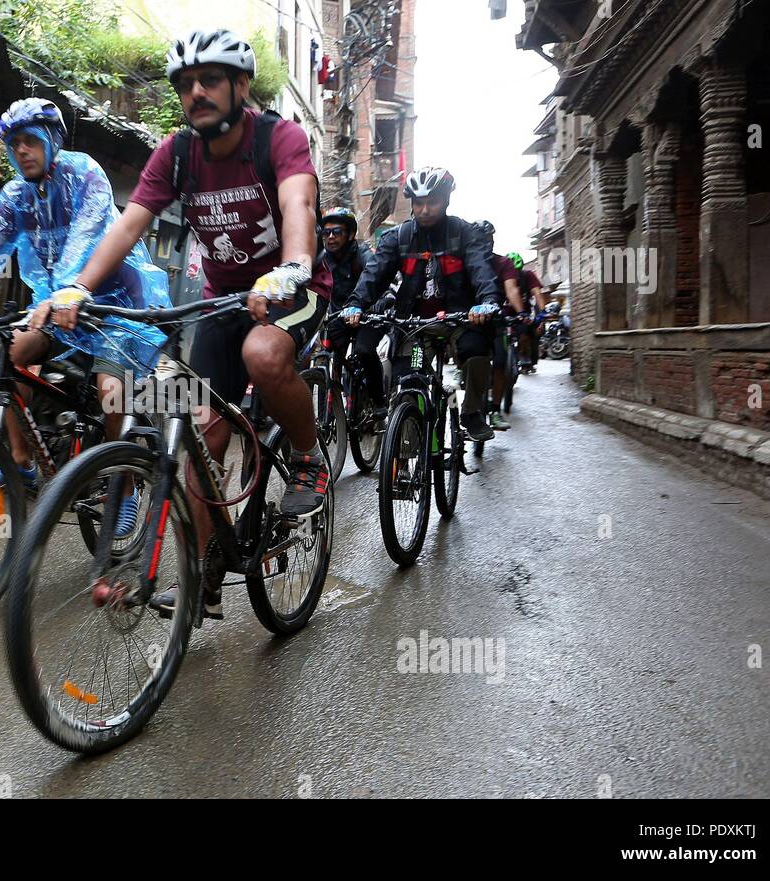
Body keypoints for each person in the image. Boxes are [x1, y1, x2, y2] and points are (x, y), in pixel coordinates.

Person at [50, 28, 334, 620]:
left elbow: (298, 206)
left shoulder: (277, 138)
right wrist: (79, 285)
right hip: (222, 300)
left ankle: (308, 457)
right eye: (184, 84)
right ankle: (204, 567)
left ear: (241, 86)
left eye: (208, 80)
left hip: (290, 291)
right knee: (202, 428)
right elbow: (128, 226)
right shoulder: (177, 152)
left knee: (263, 354)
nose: (195, 92)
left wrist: (292, 269)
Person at [0, 98, 170, 536]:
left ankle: (124, 486)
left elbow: (86, 237)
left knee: (110, 387)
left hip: (117, 306)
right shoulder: (17, 194)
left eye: (31, 141)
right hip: (60, 306)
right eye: (14, 144)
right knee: (12, 350)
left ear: (52, 141)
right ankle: (21, 460)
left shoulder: (84, 173)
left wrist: (63, 292)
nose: (22, 151)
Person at [347, 167, 503, 442]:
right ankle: (407, 457)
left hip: (459, 321)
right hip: (415, 326)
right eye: (419, 203)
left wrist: (487, 302)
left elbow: (481, 270)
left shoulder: (464, 233)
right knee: (409, 383)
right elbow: (375, 274)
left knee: (477, 352)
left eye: (432, 202)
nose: (425, 209)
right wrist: (356, 305)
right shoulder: (398, 238)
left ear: (446, 201)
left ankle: (471, 412)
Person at [318, 207, 385, 416]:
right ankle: (326, 414)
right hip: (338, 316)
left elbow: (376, 276)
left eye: (336, 231)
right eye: (326, 232)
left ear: (350, 234)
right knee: (327, 352)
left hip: (367, 315)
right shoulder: (321, 259)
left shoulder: (363, 254)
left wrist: (373, 306)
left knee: (364, 351)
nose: (330, 237)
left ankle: (378, 401)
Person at [474, 220, 524, 430]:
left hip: (496, 320)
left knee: (501, 362)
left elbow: (511, 290)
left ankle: (495, 409)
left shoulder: (504, 263)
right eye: (483, 239)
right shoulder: (465, 261)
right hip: (469, 321)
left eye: (490, 238)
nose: (487, 243)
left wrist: (521, 313)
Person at [507, 252, 547, 371]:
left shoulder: (528, 275)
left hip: (523, 314)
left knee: (527, 331)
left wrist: (543, 312)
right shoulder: (499, 276)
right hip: (503, 313)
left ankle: (525, 356)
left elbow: (537, 293)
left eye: (517, 273)